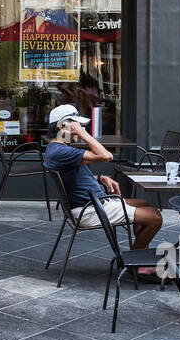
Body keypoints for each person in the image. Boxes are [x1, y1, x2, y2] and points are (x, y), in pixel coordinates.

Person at [41, 103, 163, 280]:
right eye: (77, 126)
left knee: (144, 205)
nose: (81, 129)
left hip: (93, 202)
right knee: (155, 217)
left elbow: (73, 177)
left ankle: (140, 254)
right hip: (89, 210)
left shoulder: (57, 150)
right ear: (62, 126)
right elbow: (106, 156)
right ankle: (134, 262)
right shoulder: (61, 151)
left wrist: (101, 179)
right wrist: (84, 134)